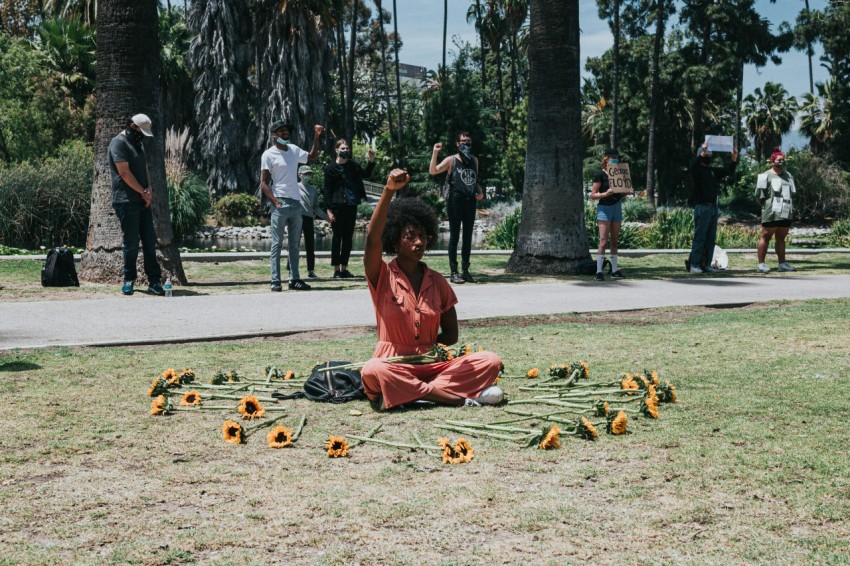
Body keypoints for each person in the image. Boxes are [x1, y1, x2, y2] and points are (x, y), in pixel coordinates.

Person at [360, 169, 504, 411]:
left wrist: (425, 348)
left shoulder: (438, 282)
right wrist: (388, 192)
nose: (419, 242)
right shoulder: (382, 276)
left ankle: (416, 394)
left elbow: (451, 335)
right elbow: (372, 239)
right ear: (395, 240)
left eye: (423, 236)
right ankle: (454, 397)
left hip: (432, 365)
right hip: (393, 364)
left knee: (490, 361)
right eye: (410, 236)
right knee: (373, 369)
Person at [260, 120, 323, 291]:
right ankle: (275, 281)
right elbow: (264, 183)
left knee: (294, 245)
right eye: (281, 131)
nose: (285, 133)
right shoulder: (268, 154)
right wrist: (275, 201)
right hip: (280, 202)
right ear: (274, 135)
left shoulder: (294, 150)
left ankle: (294, 279)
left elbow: (312, 156)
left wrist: (316, 137)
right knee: (277, 244)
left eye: (286, 130)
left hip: (296, 204)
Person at [108, 113, 164, 296]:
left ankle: (154, 282)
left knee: (149, 241)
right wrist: (142, 191)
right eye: (141, 131)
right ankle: (128, 279)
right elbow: (124, 173)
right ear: (133, 126)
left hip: (141, 199)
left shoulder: (138, 143)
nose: (143, 136)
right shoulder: (118, 143)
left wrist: (149, 191)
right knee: (131, 242)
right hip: (125, 200)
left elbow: (144, 168)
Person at [429, 131, 485, 284]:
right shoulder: (451, 160)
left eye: (468, 141)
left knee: (468, 236)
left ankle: (466, 271)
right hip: (455, 200)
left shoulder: (474, 160)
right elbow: (433, 171)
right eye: (463, 141)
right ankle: (454, 272)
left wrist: (480, 192)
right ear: (457, 143)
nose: (466, 144)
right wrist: (435, 152)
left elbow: (475, 179)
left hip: (470, 201)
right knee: (454, 236)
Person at [322, 139, 375, 278]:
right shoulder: (330, 168)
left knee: (348, 238)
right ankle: (336, 269)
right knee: (337, 238)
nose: (346, 151)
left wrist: (371, 160)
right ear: (336, 150)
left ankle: (344, 268)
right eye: (343, 148)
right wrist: (329, 210)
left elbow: (366, 174)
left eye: (347, 149)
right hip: (337, 206)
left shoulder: (352, 165)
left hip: (351, 205)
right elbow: (327, 191)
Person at [687, 141, 738, 273]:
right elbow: (692, 166)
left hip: (713, 208)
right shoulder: (697, 171)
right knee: (700, 237)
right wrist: (701, 152)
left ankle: (707, 264)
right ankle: (694, 265)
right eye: (706, 153)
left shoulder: (711, 171)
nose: (709, 155)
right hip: (702, 207)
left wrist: (733, 159)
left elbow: (728, 171)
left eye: (710, 153)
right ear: (701, 155)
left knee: (710, 238)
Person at [589, 148, 629, 281]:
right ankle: (599, 271)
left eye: (617, 157)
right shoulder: (600, 174)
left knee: (614, 241)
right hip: (604, 208)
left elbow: (621, 193)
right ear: (606, 158)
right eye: (612, 157)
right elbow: (593, 195)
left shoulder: (619, 174)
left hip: (616, 207)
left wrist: (626, 192)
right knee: (603, 241)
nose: (615, 159)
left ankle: (614, 270)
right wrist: (605, 194)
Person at [755, 148, 796, 273]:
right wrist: (767, 205)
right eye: (779, 160)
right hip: (771, 212)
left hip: (785, 211)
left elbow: (792, 192)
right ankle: (761, 264)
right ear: (773, 161)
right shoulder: (765, 176)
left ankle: (782, 264)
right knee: (766, 236)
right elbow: (758, 196)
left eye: (783, 160)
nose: (781, 162)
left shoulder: (788, 176)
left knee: (781, 238)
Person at [297, 165, 328, 279]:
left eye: (309, 174)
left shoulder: (313, 189)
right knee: (294, 244)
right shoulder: (294, 187)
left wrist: (326, 217)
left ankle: (311, 270)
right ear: (300, 175)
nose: (307, 176)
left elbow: (316, 208)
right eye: (305, 174)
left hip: (309, 218)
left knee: (310, 245)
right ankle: (291, 269)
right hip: (297, 218)